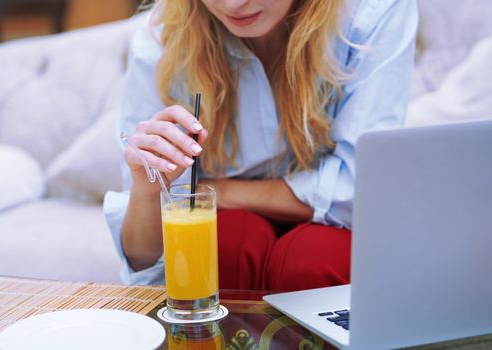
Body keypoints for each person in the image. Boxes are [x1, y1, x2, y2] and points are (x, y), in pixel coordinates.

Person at [104, 0, 418, 291]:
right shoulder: (161, 38)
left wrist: (216, 191)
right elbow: (143, 260)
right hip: (230, 240)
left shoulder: (372, 11)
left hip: (328, 243)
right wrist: (147, 195)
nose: (233, 5)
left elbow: (358, 194)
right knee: (226, 246)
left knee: (313, 260)